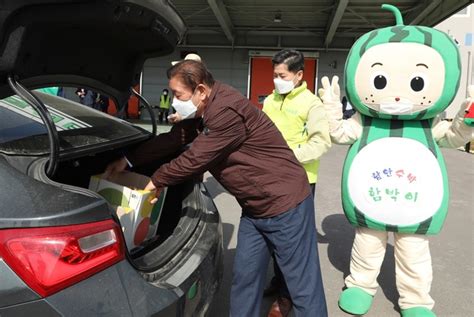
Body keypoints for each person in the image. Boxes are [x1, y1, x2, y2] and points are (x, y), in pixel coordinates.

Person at [106, 60, 328, 317]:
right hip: (255, 208)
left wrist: (153, 182)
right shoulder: (205, 107)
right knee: (245, 278)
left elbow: (195, 158)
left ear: (200, 90)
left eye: (178, 95)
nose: (175, 101)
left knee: (302, 286)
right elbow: (174, 138)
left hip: (285, 204)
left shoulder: (226, 111)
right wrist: (129, 160)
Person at [262, 49, 331, 317]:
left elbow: (321, 142)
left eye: (282, 75)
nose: (277, 80)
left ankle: (287, 297)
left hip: (299, 182)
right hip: (269, 179)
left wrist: (287, 157)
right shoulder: (269, 100)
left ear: (299, 74)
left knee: (293, 243)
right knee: (272, 237)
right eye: (275, 75)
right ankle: (279, 281)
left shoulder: (312, 104)